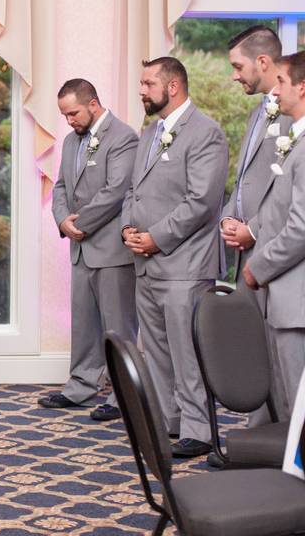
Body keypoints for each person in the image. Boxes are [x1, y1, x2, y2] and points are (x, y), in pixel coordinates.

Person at [121, 57, 228, 458]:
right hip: (145, 263)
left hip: (185, 265)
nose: (141, 90)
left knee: (188, 351)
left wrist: (156, 238)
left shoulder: (206, 133)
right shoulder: (150, 133)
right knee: (158, 350)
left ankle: (200, 430)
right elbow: (134, 190)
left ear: (173, 87)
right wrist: (128, 228)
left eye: (148, 83)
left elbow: (201, 201)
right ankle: (171, 422)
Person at [42, 78, 138, 422]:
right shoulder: (70, 142)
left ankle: (123, 395)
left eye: (73, 113)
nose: (69, 121)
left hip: (111, 250)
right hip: (80, 249)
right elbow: (62, 185)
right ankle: (81, 385)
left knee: (118, 326)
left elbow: (117, 191)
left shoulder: (123, 137)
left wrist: (80, 224)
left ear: (93, 104)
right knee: (83, 322)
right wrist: (62, 220)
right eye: (64, 115)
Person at [220, 25, 293, 425]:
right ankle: (259, 434)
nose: (234, 75)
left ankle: (280, 444)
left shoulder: (292, 119)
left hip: (275, 249)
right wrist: (231, 217)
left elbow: (286, 195)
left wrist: (255, 230)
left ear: (263, 61)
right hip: (248, 245)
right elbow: (247, 177)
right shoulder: (256, 112)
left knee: (283, 357)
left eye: (238, 66)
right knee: (256, 348)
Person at [244, 51, 305, 417]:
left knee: (298, 403)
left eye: (281, 82)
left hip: (297, 300)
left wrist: (258, 267)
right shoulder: (295, 141)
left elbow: (301, 227)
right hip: (286, 297)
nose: (275, 90)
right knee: (287, 403)